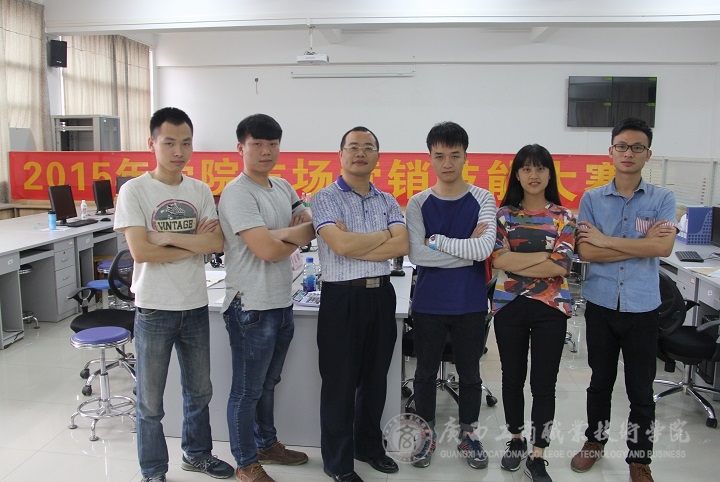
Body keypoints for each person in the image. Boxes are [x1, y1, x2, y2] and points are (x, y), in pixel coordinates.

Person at [114, 107, 234, 482]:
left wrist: (165, 236)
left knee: (199, 392)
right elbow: (141, 252)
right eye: (169, 142)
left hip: (195, 304)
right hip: (154, 308)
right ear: (152, 144)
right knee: (150, 401)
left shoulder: (199, 190)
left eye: (186, 143)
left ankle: (197, 455)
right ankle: (153, 470)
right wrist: (192, 243)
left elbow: (216, 243)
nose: (179, 151)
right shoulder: (134, 190)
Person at [571, 117, 676, 482]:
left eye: (637, 147)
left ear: (648, 154)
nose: (628, 153)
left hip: (643, 307)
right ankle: (594, 442)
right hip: (601, 304)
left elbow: (663, 248)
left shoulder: (663, 199)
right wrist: (639, 246)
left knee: (641, 389)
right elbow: (586, 251)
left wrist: (606, 240)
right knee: (600, 381)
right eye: (622, 146)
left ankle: (639, 459)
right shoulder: (592, 199)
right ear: (611, 151)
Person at [218, 114, 314, 482]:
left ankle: (267, 444)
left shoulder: (282, 186)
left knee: (268, 384)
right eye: (257, 144)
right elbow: (267, 251)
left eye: (272, 144)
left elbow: (310, 224)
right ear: (240, 148)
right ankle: (246, 464)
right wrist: (289, 236)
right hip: (250, 306)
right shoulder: (238, 193)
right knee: (246, 391)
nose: (265, 151)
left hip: (281, 301)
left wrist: (280, 233)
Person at [312, 126, 409, 482]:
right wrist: (382, 236)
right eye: (353, 147)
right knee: (339, 383)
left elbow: (402, 246)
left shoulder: (388, 200)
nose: (360, 153)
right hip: (342, 298)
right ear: (341, 154)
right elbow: (340, 246)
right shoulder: (325, 198)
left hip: (381, 295)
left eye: (368, 147)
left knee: (375, 379)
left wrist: (356, 241)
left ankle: (368, 446)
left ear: (377, 157)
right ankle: (338, 462)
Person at [406, 121, 497, 470]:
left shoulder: (483, 198)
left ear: (465, 157)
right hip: (429, 303)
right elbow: (417, 254)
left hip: (469, 303)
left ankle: (468, 434)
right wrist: (466, 249)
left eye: (454, 155)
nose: (447, 163)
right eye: (440, 155)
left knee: (470, 374)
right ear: (429, 157)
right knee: (424, 373)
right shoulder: (418, 203)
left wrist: (438, 241)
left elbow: (484, 249)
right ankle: (425, 433)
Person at [491, 144, 576, 482]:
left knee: (544, 384)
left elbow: (562, 265)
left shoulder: (564, 216)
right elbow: (498, 259)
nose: (533, 174)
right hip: (509, 306)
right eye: (526, 168)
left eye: (540, 168)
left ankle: (538, 454)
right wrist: (545, 257)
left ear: (550, 174)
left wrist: (519, 261)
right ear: (517, 174)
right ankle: (516, 439)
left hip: (551, 308)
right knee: (512, 378)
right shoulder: (503, 215)